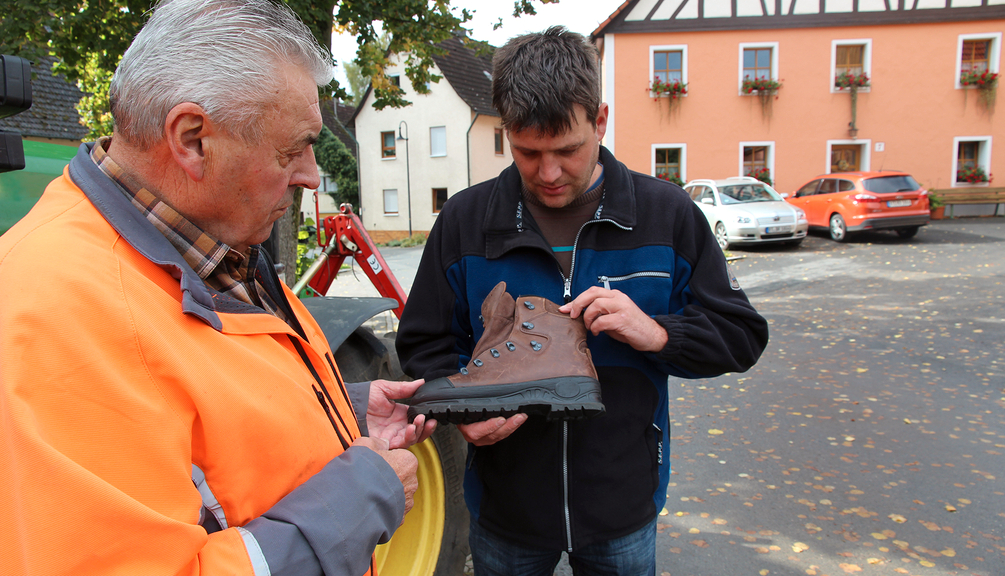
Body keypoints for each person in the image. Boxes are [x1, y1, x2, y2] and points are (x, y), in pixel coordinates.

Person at [0, 1, 435, 574]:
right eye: (292, 150)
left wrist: (337, 412)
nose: (310, 175)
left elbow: (192, 433)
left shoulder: (205, 247)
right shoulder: (61, 312)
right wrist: (363, 496)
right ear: (192, 139)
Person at [395, 26, 769, 575]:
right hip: (505, 510)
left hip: (623, 508)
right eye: (528, 152)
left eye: (567, 150)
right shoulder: (465, 221)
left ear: (600, 120)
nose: (548, 173)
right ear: (506, 131)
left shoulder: (667, 214)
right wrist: (466, 414)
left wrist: (658, 334)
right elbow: (422, 344)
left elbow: (742, 335)